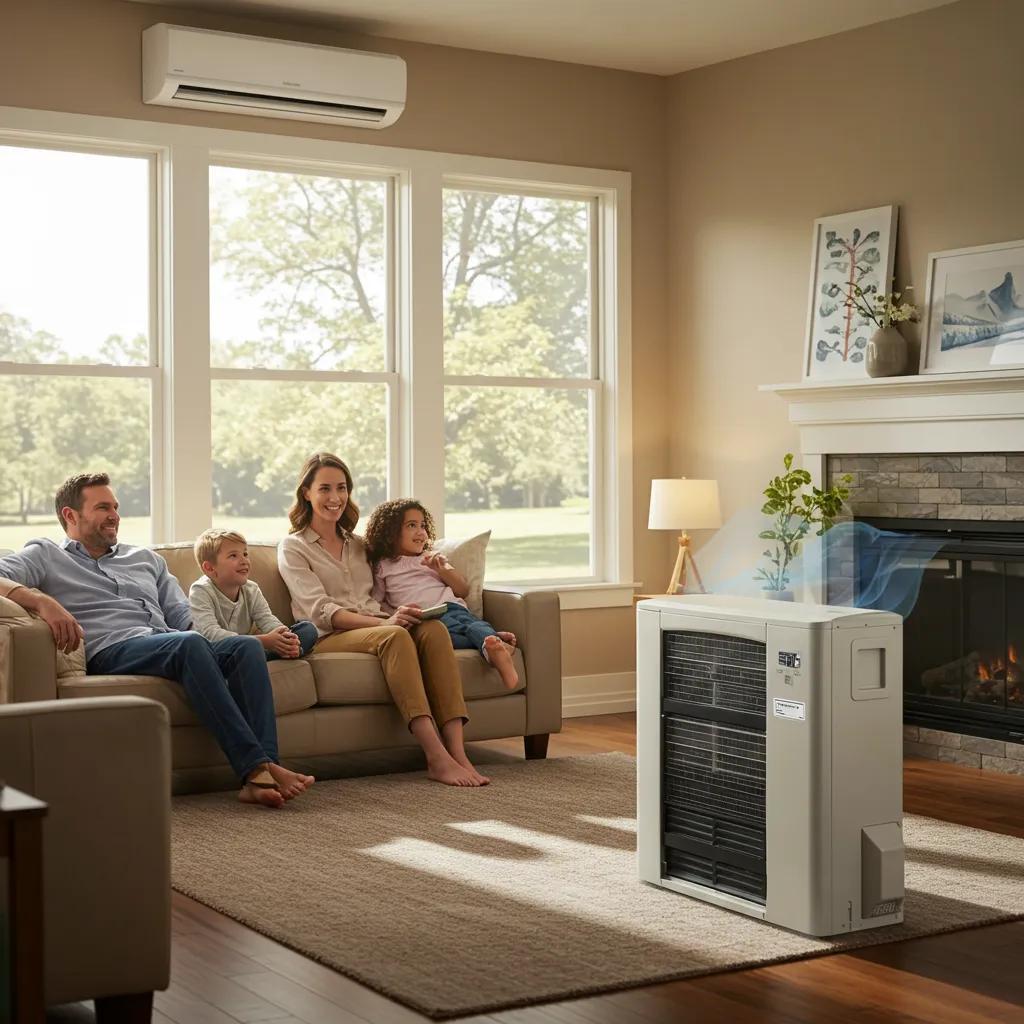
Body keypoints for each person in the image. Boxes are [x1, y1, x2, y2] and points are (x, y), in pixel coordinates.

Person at [0, 473, 314, 809]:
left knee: (246, 646)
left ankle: (265, 772)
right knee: (189, 644)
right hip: (112, 650)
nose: (114, 515)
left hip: (169, 643)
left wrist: (223, 644)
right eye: (103, 507)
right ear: (70, 515)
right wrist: (41, 601)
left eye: (115, 507)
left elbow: (183, 618)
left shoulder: (146, 559)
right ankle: (256, 768)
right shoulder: (46, 554)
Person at [277, 452, 489, 787]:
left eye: (342, 488)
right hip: (332, 634)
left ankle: (458, 753)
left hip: (378, 623)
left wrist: (408, 607)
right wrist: (385, 624)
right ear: (306, 493)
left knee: (433, 629)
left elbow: (397, 572)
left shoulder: (360, 545)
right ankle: (435, 757)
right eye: (325, 489)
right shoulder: (293, 547)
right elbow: (321, 611)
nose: (335, 497)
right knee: (395, 635)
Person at [364, 498, 519, 689]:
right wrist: (395, 615)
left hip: (452, 608)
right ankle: (490, 639)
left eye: (423, 525)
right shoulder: (383, 566)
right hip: (424, 620)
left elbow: (463, 590)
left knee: (471, 624)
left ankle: (492, 647)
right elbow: (378, 602)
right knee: (447, 639)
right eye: (412, 525)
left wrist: (442, 569)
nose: (421, 532)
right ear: (390, 532)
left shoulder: (432, 558)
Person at [189, 527, 318, 660]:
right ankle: (285, 652)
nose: (244, 561)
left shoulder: (251, 589)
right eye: (233, 556)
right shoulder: (200, 591)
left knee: (308, 629)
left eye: (245, 554)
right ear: (210, 568)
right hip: (219, 653)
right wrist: (263, 641)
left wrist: (284, 637)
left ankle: (289, 650)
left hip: (250, 647)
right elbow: (210, 634)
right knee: (247, 648)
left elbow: (267, 619)